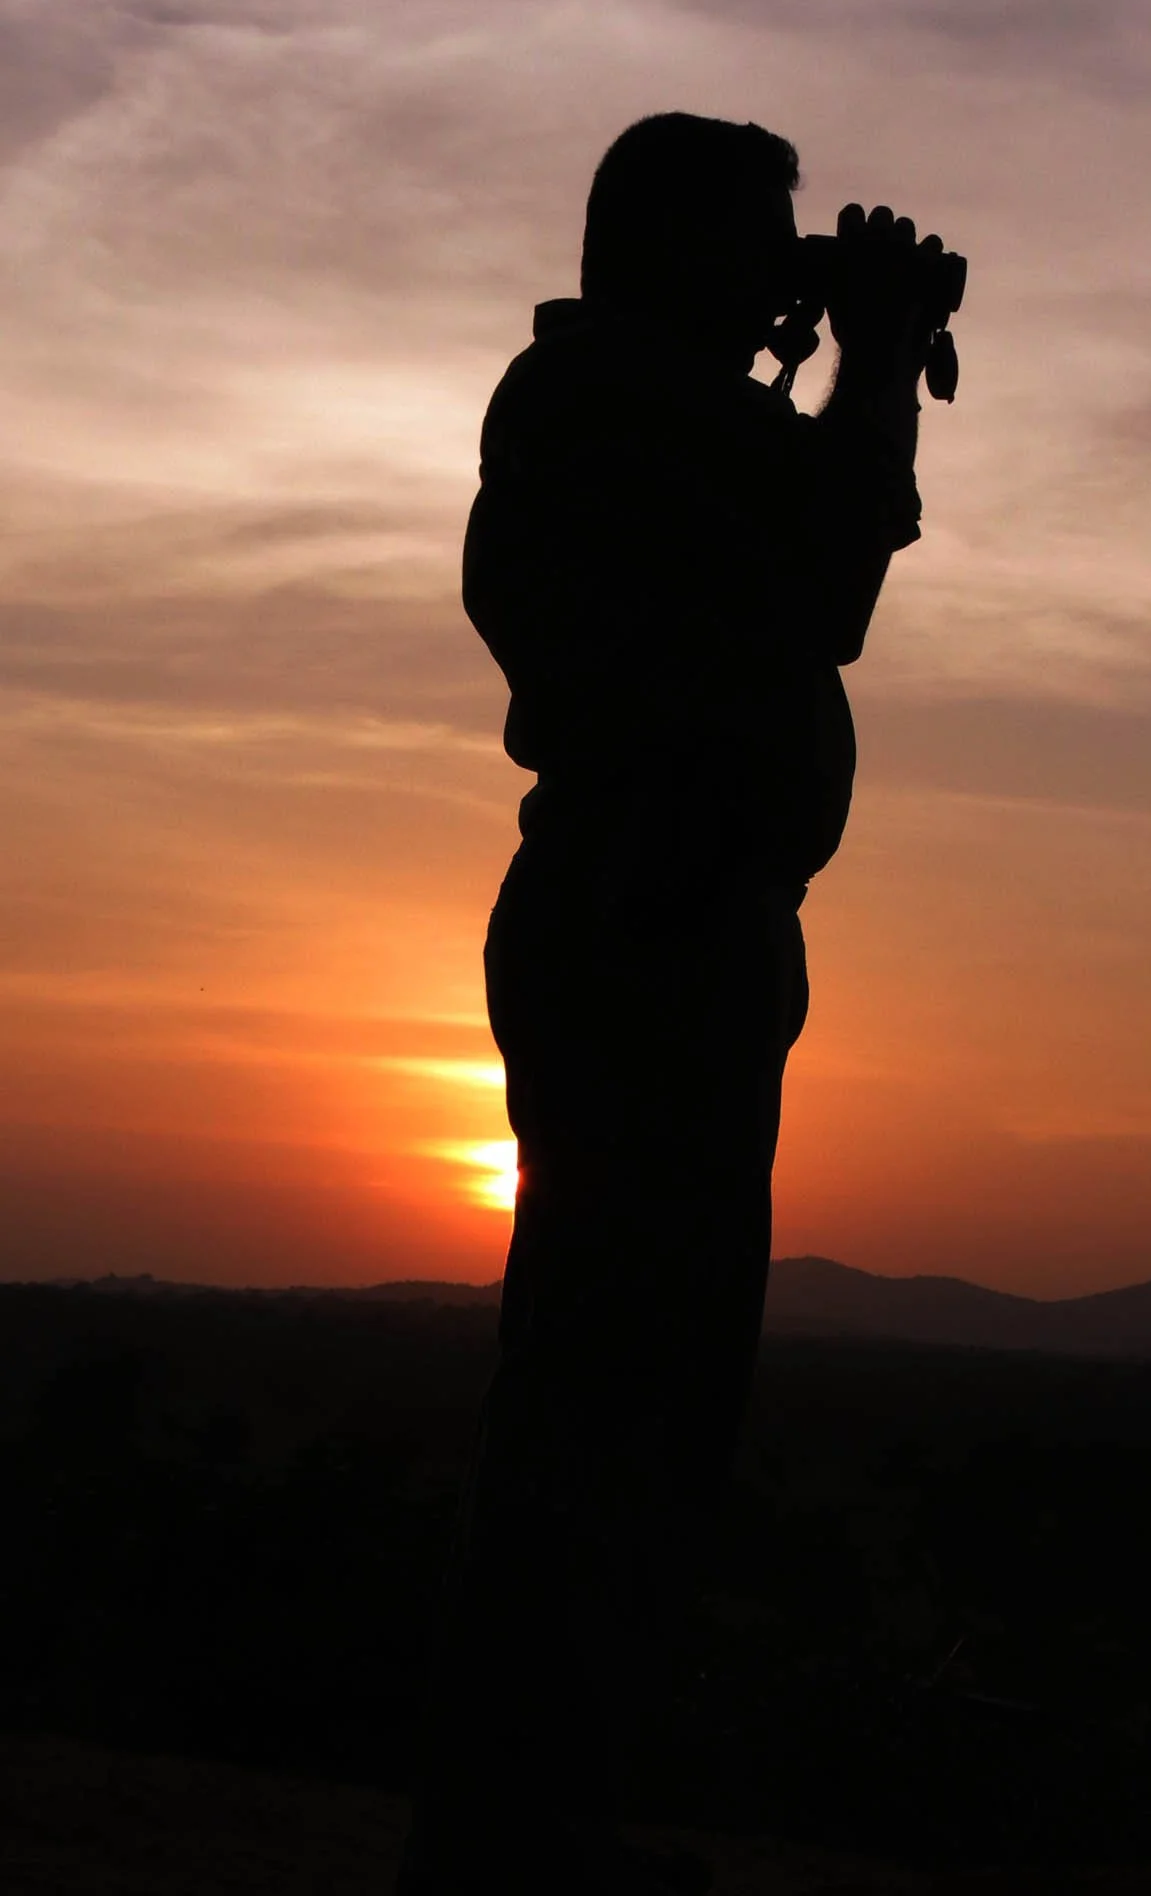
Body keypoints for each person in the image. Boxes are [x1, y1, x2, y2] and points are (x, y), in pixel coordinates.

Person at [399, 112, 958, 1895]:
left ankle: (539, 1811)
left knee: (633, 1376)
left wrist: (837, 354)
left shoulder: (639, 409)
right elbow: (821, 584)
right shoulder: (605, 412)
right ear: (678, 250)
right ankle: (515, 1829)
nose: (779, 268)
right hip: (650, 916)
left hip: (672, 919)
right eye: (761, 239)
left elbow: (784, 551)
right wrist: (866, 358)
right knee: (614, 1376)